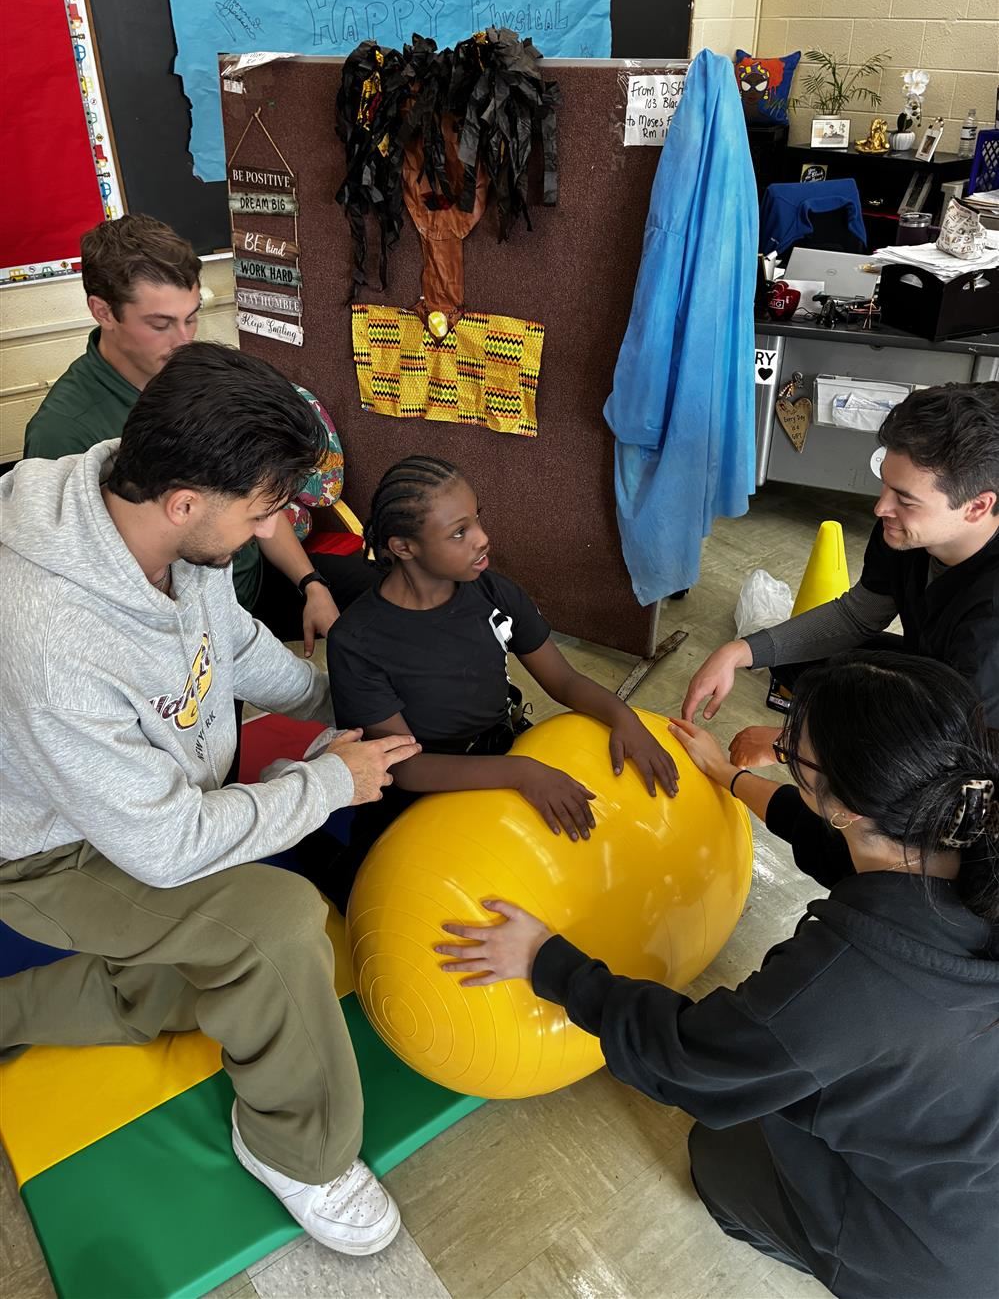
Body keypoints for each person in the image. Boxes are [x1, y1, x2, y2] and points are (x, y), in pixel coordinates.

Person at [0, 341, 422, 1256]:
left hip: (140, 798)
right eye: (264, 511)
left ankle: (30, 1008)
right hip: (47, 848)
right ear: (187, 503)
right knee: (272, 927)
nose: (270, 528)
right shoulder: (52, 635)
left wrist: (339, 709)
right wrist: (320, 782)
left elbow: (231, 648)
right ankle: (297, 1152)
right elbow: (159, 845)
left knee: (215, 956)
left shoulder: (152, 514)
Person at [437, 652, 999, 1299]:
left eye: (794, 754)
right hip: (962, 1145)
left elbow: (689, 1059)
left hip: (934, 1253)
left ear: (845, 806)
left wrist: (545, 961)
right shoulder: (963, 835)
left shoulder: (836, 984)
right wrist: (729, 777)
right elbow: (841, 848)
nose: (784, 754)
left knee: (717, 1150)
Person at [310, 454, 679, 909]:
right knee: (381, 902)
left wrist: (625, 720)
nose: (483, 539)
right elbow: (405, 767)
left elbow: (563, 680)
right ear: (404, 547)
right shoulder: (357, 641)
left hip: (500, 753)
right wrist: (522, 773)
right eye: (459, 532)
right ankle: (318, 853)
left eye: (477, 518)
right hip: (421, 791)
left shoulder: (492, 592)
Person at [23, 213, 375, 656]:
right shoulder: (64, 431)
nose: (184, 339)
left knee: (378, 597)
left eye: (191, 318)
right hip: (176, 625)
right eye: (160, 324)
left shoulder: (192, 372)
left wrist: (311, 583)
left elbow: (258, 495)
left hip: (246, 577)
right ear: (102, 311)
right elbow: (89, 589)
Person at [681, 382, 999, 764]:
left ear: (977, 507)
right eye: (885, 484)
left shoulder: (989, 624)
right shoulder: (904, 533)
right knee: (803, 664)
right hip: (936, 673)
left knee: (879, 801)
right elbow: (858, 615)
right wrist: (739, 651)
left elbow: (942, 746)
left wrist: (793, 746)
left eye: (905, 499)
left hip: (974, 744)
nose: (881, 507)